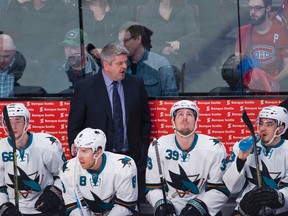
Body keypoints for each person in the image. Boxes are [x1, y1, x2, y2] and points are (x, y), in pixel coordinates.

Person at [67, 42, 151, 209]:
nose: (125, 67)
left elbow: (145, 121)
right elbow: (75, 127)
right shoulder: (85, 88)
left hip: (130, 162)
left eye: (126, 62)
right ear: (106, 65)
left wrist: (141, 148)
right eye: (120, 63)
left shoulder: (136, 83)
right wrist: (82, 155)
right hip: (99, 164)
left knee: (129, 209)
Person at [145, 100, 229, 216]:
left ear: (196, 120)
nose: (185, 118)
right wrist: (161, 203)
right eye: (180, 114)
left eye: (189, 114)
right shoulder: (158, 146)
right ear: (173, 121)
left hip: (203, 211)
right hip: (171, 209)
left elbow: (221, 189)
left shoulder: (214, 147)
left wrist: (200, 206)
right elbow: (152, 187)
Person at [0, 103, 67, 215]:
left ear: (26, 122)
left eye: (18, 120)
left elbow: (65, 175)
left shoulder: (47, 145)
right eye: (9, 121)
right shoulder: (1, 148)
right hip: (16, 210)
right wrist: (3, 207)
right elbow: (0, 186)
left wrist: (55, 193)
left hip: (45, 208)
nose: (13, 126)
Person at [223, 105, 288, 215]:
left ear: (280, 129)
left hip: (279, 211)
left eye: (269, 124)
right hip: (246, 209)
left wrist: (279, 197)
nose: (262, 128)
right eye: (261, 123)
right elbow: (232, 188)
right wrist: (240, 160)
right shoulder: (242, 146)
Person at [60, 127, 138, 215]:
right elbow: (76, 207)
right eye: (77, 150)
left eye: (84, 151)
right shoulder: (68, 169)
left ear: (98, 151)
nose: (79, 156)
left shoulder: (124, 166)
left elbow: (125, 207)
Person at [234, 0, 288, 93]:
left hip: (275, 84)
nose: (252, 12)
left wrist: (273, 80)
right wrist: (246, 68)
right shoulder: (243, 31)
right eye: (250, 8)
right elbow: (237, 62)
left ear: (268, 8)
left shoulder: (282, 32)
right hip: (250, 84)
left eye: (257, 8)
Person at [138, 0, 200, 71]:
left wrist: (179, 42)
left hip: (179, 53)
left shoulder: (184, 8)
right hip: (155, 52)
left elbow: (194, 33)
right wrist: (161, 49)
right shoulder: (148, 10)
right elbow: (143, 37)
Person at [120, 24, 179, 96]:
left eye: (125, 40)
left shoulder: (160, 64)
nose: (122, 45)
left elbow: (170, 100)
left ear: (138, 39)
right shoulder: (118, 64)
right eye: (120, 42)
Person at [44, 28, 99, 94]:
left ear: (85, 48)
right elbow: (49, 99)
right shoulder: (56, 71)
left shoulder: (99, 71)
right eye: (66, 47)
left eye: (73, 47)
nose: (68, 51)